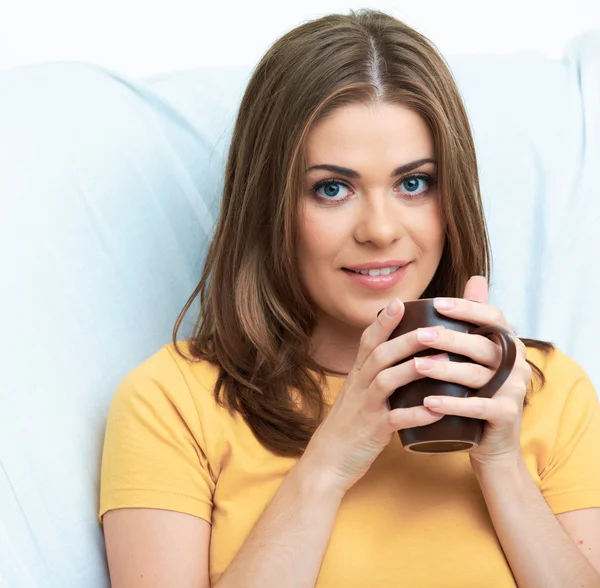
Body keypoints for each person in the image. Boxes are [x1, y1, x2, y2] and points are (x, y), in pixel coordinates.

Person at [99, 9, 600, 587]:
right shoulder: (172, 403)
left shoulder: (545, 390)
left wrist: (502, 467)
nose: (381, 230)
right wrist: (330, 462)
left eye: (414, 183)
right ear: (270, 206)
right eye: (332, 189)